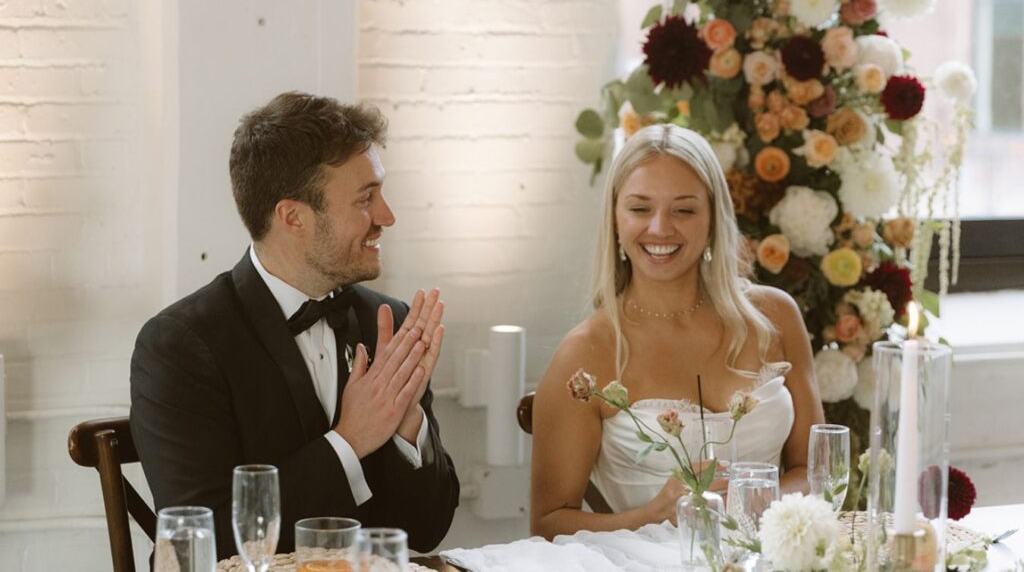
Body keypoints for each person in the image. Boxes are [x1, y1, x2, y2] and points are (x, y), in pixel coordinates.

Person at [130, 92, 459, 558]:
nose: (387, 217)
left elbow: (425, 534)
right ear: (293, 217)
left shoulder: (388, 324)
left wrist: (407, 426)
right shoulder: (180, 347)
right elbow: (203, 550)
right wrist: (350, 440)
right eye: (366, 199)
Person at [530, 124, 824, 538]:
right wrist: (653, 515)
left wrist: (755, 503)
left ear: (713, 219)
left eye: (684, 210)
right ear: (615, 218)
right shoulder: (587, 351)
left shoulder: (775, 316)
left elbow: (814, 472)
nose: (660, 228)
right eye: (639, 208)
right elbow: (547, 525)